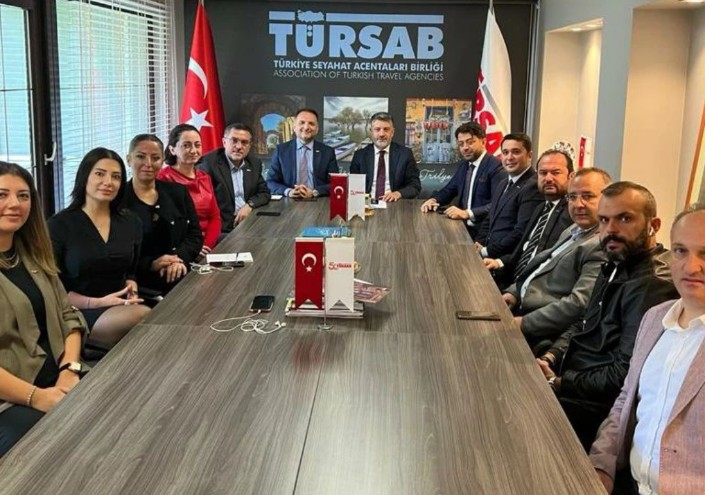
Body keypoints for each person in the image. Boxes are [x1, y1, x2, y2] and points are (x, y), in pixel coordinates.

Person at [535, 182, 679, 452]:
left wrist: (559, 382)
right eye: (604, 220)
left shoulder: (651, 285)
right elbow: (583, 323)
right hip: (572, 376)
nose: (610, 229)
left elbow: (624, 375)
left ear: (654, 225)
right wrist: (551, 357)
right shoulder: (614, 262)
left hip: (594, 408)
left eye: (624, 219)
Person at [590, 204, 705, 495]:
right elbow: (627, 398)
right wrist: (601, 464)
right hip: (628, 483)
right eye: (680, 251)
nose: (691, 267)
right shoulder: (655, 317)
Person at [0, 161, 87, 457]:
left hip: (57, 377)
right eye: (2, 195)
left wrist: (69, 370)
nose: (15, 204)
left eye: (23, 196)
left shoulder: (33, 255)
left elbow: (69, 317)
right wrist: (37, 397)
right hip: (12, 397)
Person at [48, 148, 149, 350]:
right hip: (76, 311)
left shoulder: (131, 222)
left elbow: (131, 272)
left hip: (122, 307)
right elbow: (53, 289)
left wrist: (132, 290)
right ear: (84, 177)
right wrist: (98, 302)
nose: (108, 182)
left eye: (116, 177)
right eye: (100, 174)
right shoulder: (59, 225)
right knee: (145, 319)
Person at [502, 168, 611, 348]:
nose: (578, 204)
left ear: (607, 200)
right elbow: (543, 266)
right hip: (519, 306)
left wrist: (523, 323)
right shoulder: (573, 229)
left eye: (588, 196)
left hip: (540, 331)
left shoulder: (601, 244)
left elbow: (578, 304)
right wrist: (514, 293)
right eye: (572, 197)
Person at [122, 134, 203, 294]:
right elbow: (117, 253)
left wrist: (177, 259)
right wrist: (151, 264)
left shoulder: (178, 192)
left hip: (181, 272)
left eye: (155, 158)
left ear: (162, 160)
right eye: (141, 157)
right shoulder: (118, 200)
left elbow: (195, 235)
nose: (148, 164)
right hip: (139, 283)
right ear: (129, 159)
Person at [483, 148, 575, 288]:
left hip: (532, 290)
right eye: (543, 173)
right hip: (512, 278)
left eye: (556, 173)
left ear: (571, 176)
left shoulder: (572, 215)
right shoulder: (541, 207)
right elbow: (526, 250)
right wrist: (499, 262)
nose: (548, 178)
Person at [420, 121, 505, 237]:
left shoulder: (496, 166)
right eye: (461, 144)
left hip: (484, 233)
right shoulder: (465, 165)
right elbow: (449, 190)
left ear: (483, 142)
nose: (465, 148)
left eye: (470, 142)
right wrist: (434, 200)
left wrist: (467, 213)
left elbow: (498, 204)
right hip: (462, 228)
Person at [474, 133, 544, 258]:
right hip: (487, 253)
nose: (509, 157)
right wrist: (477, 244)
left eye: (516, 152)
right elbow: (490, 218)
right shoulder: (503, 183)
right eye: (505, 152)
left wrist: (486, 251)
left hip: (504, 260)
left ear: (529, 155)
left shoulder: (533, 186)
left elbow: (520, 232)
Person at [157, 124, 220, 255]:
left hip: (208, 243)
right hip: (182, 247)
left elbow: (215, 217)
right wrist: (194, 247)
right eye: (186, 145)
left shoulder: (205, 177)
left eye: (197, 145)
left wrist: (207, 245)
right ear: (172, 150)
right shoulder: (163, 179)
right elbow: (169, 226)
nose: (193, 150)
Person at [199, 123, 271, 236]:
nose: (238, 146)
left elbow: (264, 193)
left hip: (249, 222)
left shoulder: (254, 163)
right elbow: (203, 206)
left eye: (244, 142)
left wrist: (249, 205)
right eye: (234, 140)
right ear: (224, 142)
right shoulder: (208, 164)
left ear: (249, 146)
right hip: (222, 229)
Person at [266, 108, 339, 198]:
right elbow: (270, 182)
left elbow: (336, 183)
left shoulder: (327, 152)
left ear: (317, 129)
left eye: (311, 123)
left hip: (318, 200)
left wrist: (314, 192)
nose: (306, 127)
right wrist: (288, 191)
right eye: (302, 122)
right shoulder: (281, 150)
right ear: (294, 127)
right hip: (289, 201)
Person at [349, 112, 420, 201]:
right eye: (377, 129)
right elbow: (353, 187)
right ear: (371, 132)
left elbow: (415, 186)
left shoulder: (405, 154)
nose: (381, 134)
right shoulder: (360, 156)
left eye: (386, 129)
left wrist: (398, 194)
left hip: (394, 204)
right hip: (367, 204)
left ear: (392, 132)